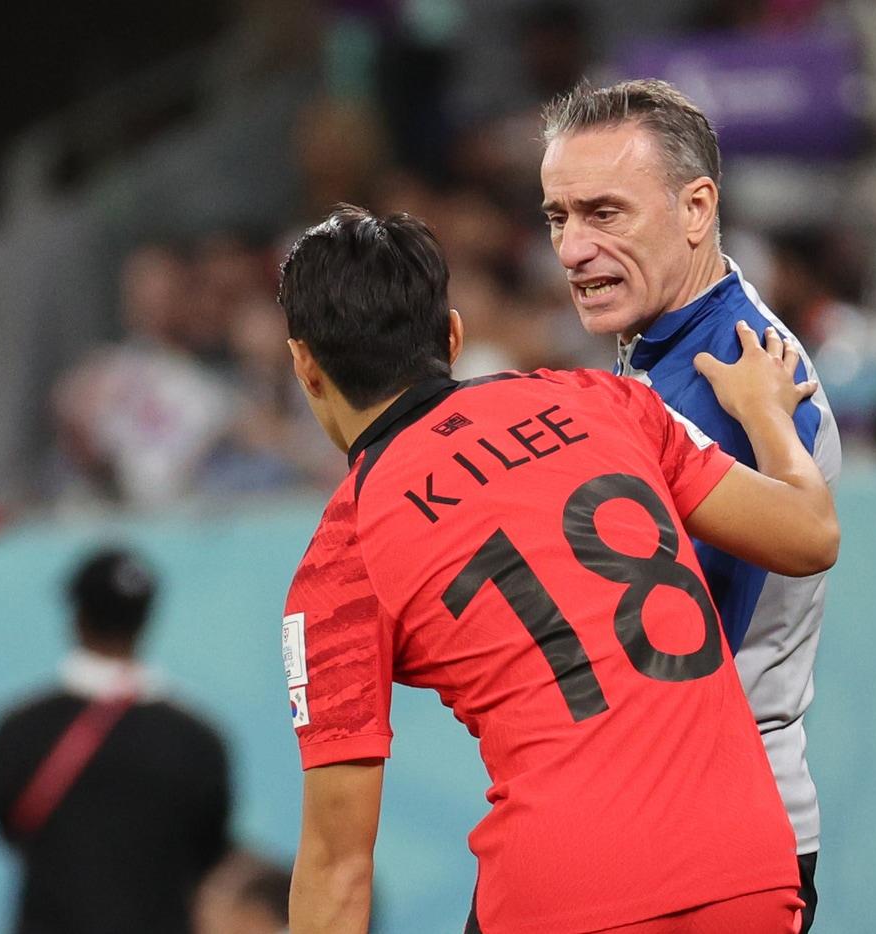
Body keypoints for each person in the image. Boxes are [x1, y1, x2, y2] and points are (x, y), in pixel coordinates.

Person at [275, 206, 837, 933]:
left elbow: (337, 865)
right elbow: (810, 534)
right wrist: (766, 416)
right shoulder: (601, 402)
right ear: (451, 334)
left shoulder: (340, 560)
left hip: (569, 892)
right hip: (750, 865)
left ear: (304, 367)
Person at [538, 78, 841, 929]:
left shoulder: (727, 383)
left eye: (605, 213)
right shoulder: (680, 348)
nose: (571, 249)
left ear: (697, 208)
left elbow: (669, 650)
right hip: (690, 820)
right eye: (558, 217)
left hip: (708, 837)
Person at [0, 547, 232, 934]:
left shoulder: (18, 730)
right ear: (146, 619)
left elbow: (6, 829)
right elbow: (210, 850)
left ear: (77, 617)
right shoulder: (198, 739)